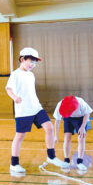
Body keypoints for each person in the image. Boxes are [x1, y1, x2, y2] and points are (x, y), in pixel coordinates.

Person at [6, 47, 64, 175]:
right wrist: (15, 97)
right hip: (23, 111)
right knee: (20, 136)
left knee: (49, 127)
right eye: (30, 61)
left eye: (35, 62)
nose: (33, 64)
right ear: (22, 59)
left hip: (36, 108)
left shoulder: (31, 75)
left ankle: (51, 156)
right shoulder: (15, 74)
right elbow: (9, 89)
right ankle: (14, 164)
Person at [52, 95, 92, 172]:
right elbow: (57, 121)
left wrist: (83, 127)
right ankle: (66, 160)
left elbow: (87, 114)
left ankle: (80, 162)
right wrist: (56, 135)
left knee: (81, 138)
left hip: (81, 118)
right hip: (68, 119)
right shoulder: (60, 104)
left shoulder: (81, 102)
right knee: (67, 139)